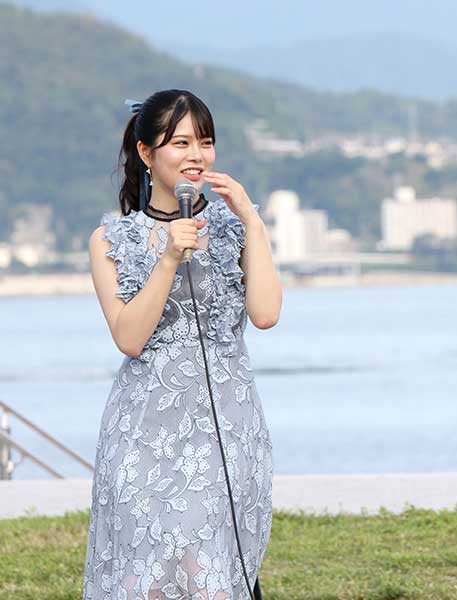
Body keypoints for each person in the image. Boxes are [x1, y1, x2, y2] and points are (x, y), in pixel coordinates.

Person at [82, 89, 282, 599]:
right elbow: (128, 337)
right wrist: (168, 258)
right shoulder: (112, 239)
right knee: (145, 575)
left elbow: (265, 313)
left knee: (212, 571)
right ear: (147, 154)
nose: (196, 155)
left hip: (227, 433)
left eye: (206, 142)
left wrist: (251, 220)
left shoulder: (234, 228)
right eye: (181, 142)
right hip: (145, 434)